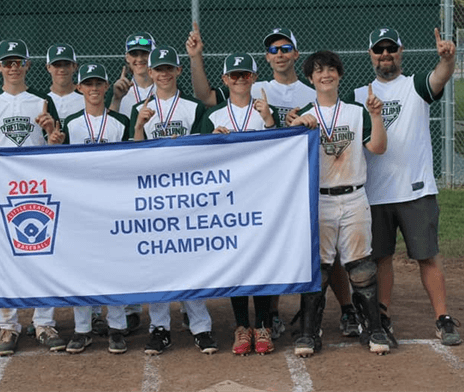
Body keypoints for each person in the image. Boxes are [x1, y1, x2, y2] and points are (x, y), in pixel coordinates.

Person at [186, 24, 361, 340]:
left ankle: (347, 308)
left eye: (284, 48)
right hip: (263, 187)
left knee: (326, 251)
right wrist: (196, 58)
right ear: (265, 58)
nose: (278, 54)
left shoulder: (313, 90)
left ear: (295, 54)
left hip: (308, 179)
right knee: (269, 249)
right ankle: (271, 316)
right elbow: (206, 96)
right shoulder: (258, 90)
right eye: (272, 49)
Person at [348, 27, 463, 348]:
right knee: (381, 258)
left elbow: (440, 78)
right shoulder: (358, 96)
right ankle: (381, 316)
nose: (385, 55)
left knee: (427, 256)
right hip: (374, 193)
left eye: (391, 49)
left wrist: (448, 60)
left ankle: (443, 318)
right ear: (370, 55)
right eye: (378, 50)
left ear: (401, 51)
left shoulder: (415, 86)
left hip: (415, 189)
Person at [288, 50, 390, 357]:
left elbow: (379, 147)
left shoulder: (356, 112)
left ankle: (372, 328)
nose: (325, 75)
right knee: (318, 268)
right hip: (321, 199)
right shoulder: (304, 114)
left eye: (331, 70)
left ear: (340, 75)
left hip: (355, 195)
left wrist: (375, 116)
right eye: (318, 72)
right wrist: (296, 129)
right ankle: (309, 331)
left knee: (361, 266)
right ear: (310, 78)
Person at [0, 39, 66, 356]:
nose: (13, 67)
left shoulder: (41, 102)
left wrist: (53, 133)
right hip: (3, 191)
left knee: (42, 251)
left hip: (38, 187)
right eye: (7, 62)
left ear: (27, 65)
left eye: (18, 62)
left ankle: (43, 322)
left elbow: (56, 147)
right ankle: (8, 324)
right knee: (3, 253)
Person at [129, 45, 218, 355]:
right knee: (157, 260)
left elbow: (202, 153)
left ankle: (201, 326)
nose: (164, 73)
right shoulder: (139, 107)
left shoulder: (193, 107)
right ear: (149, 73)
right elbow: (133, 155)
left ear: (178, 71)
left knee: (189, 256)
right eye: (158, 69)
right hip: (153, 195)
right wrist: (139, 126)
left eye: (169, 68)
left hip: (186, 194)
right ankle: (160, 327)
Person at [199, 53, 278, 355]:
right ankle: (241, 326)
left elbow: (282, 148)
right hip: (227, 201)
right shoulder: (214, 115)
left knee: (260, 261)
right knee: (237, 263)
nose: (240, 80)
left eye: (245, 74)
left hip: (260, 197)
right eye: (234, 75)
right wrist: (211, 142)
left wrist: (270, 120)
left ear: (254, 78)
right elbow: (201, 161)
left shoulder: (263, 112)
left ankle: (263, 325)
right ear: (225, 80)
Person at [60, 63, 133, 354]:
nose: (93, 89)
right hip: (80, 205)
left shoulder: (120, 122)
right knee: (80, 265)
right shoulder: (70, 123)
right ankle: (82, 328)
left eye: (98, 83)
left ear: (106, 87)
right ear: (79, 88)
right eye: (87, 84)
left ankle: (116, 326)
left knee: (112, 265)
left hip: (112, 203)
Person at [106, 32, 155, 335]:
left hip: (157, 174)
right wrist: (116, 98)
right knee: (129, 241)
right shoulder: (120, 90)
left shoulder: (165, 84)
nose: (140, 60)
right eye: (134, 54)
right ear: (126, 58)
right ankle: (131, 308)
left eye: (145, 54)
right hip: (126, 174)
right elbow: (105, 127)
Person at [46, 43, 85, 119]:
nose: (62, 69)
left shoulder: (87, 98)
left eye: (66, 64)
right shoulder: (40, 100)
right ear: (48, 67)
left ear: (74, 66)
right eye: (57, 65)